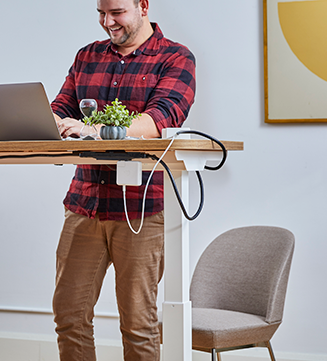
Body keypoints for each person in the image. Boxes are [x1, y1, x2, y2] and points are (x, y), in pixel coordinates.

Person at [50, 0, 196, 360]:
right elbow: (60, 107)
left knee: (137, 325)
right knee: (69, 315)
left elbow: (155, 122)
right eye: (101, 13)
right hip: (85, 204)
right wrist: (52, 122)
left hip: (141, 210)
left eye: (116, 13)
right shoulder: (87, 57)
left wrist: (90, 129)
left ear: (143, 6)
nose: (107, 22)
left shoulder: (176, 58)